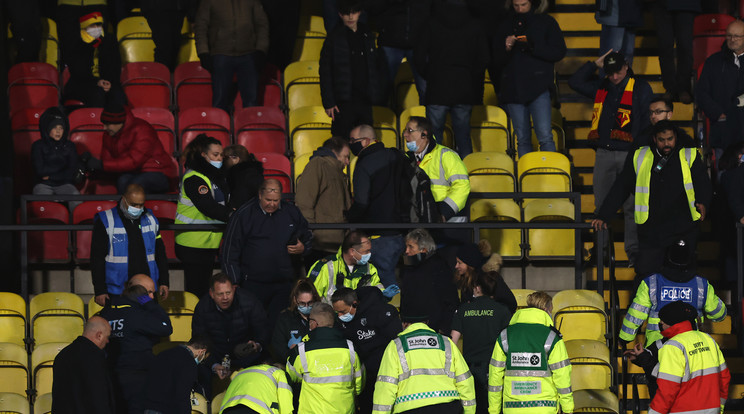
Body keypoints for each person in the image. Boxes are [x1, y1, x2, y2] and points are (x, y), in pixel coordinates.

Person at [592, 121, 712, 278]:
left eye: (670, 139)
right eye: (662, 140)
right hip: (652, 229)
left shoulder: (689, 154)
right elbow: (622, 186)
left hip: (683, 227)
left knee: (683, 275)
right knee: (646, 275)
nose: (667, 143)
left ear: (675, 137)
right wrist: (604, 215)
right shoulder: (641, 156)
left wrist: (703, 202)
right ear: (655, 139)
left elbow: (703, 182)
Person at [569, 50, 652, 265]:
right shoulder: (602, 85)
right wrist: (594, 64)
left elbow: (645, 122)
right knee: (601, 206)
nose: (614, 76)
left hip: (629, 154)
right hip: (604, 153)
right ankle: (601, 250)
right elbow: (575, 82)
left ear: (626, 66)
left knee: (632, 207)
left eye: (617, 71)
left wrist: (638, 150)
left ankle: (633, 252)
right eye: (610, 72)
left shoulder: (641, 87)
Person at [222, 179, 313, 327]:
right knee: (253, 325)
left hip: (284, 284)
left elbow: (307, 235)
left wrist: (303, 248)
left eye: (276, 200)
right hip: (251, 284)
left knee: (279, 326)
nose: (272, 204)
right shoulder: (243, 215)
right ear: (260, 195)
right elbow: (230, 250)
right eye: (268, 200)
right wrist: (233, 281)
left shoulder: (291, 211)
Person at [373, 290, 476, 413]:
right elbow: (465, 381)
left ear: (404, 323)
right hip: (449, 408)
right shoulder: (446, 343)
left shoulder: (396, 346)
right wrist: (469, 411)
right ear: (427, 321)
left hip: (411, 409)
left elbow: (385, 387)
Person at [414, 0, 489, 158]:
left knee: (433, 139)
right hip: (464, 87)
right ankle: (465, 176)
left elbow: (419, 58)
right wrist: (470, 77)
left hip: (437, 87)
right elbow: (483, 59)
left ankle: (434, 178)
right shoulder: (475, 25)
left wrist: (431, 74)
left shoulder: (431, 24)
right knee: (463, 138)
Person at [619, 241, 726, 347]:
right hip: (690, 347)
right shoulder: (701, 284)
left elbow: (636, 312)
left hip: (658, 348)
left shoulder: (651, 282)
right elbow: (718, 314)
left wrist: (625, 337)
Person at [494, 0, 566, 157]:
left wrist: (531, 46)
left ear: (532, 3)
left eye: (523, 5)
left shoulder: (546, 22)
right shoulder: (505, 24)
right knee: (523, 139)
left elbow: (559, 52)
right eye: (516, 5)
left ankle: (550, 175)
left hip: (538, 87)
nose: (520, 9)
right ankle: (526, 176)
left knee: (545, 137)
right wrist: (506, 47)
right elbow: (495, 60)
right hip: (513, 88)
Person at [488, 291, 574, 414]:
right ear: (546, 310)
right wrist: (567, 409)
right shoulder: (552, 337)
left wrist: (494, 411)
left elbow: (494, 376)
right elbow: (562, 376)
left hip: (512, 408)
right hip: (545, 408)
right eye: (551, 311)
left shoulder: (505, 335)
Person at [347, 124, 412, 287]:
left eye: (353, 140)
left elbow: (361, 203)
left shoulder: (364, 164)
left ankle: (392, 313)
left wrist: (349, 217)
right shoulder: (397, 156)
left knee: (382, 280)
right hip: (403, 232)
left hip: (378, 234)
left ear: (366, 141)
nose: (350, 144)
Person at [99, 277, 173, 414]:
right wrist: (148, 304)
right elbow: (166, 328)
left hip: (110, 378)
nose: (152, 296)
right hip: (138, 380)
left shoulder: (105, 314)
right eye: (148, 293)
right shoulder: (138, 315)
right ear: (137, 292)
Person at [91, 184, 170, 307]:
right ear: (124, 199)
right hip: (118, 290)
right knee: (122, 323)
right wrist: (100, 290)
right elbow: (97, 258)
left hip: (145, 291)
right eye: (133, 205)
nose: (138, 208)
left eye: (141, 205)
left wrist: (164, 281)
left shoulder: (151, 219)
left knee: (146, 322)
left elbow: (160, 253)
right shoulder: (106, 220)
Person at [175, 134, 233, 298]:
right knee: (196, 292)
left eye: (221, 155)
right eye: (215, 155)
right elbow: (208, 207)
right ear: (203, 155)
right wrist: (234, 216)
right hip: (191, 242)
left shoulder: (215, 177)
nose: (220, 158)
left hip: (207, 243)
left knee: (204, 291)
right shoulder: (195, 177)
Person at [320, 0, 387, 138]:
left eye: (354, 12)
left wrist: (375, 92)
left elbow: (375, 66)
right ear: (340, 14)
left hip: (364, 99)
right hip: (343, 101)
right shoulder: (334, 37)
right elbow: (325, 71)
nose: (350, 17)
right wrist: (329, 101)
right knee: (341, 140)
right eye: (346, 13)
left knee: (366, 141)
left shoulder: (367, 34)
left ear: (360, 13)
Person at [192, 273, 269, 394]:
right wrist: (214, 365)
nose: (225, 298)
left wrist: (256, 345)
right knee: (198, 368)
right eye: (220, 294)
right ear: (211, 294)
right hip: (215, 354)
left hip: (245, 354)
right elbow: (198, 342)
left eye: (228, 293)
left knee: (264, 365)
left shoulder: (249, 302)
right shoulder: (202, 308)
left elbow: (263, 332)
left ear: (234, 289)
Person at [649, 300, 730, 414]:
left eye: (662, 321)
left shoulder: (672, 346)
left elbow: (667, 389)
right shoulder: (708, 339)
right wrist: (719, 407)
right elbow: (724, 377)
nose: (660, 323)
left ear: (671, 323)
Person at [331, 287, 403, 413]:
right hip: (363, 377)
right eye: (337, 313)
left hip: (386, 373)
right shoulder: (341, 323)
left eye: (343, 312)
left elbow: (395, 342)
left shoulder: (380, 313)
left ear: (354, 304)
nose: (340, 316)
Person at [450, 271, 512, 414]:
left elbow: (452, 342)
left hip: (470, 370)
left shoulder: (464, 309)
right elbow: (507, 342)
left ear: (478, 288)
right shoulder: (502, 310)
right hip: (495, 369)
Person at [286, 303, 364, 414]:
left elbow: (291, 377)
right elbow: (359, 384)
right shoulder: (350, 348)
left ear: (313, 323)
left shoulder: (301, 351)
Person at [86, 101, 176, 194]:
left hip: (158, 172)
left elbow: (134, 161)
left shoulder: (142, 130)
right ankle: (125, 208)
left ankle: (136, 208)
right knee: (122, 181)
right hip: (132, 172)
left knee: (135, 185)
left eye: (108, 124)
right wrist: (95, 169)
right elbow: (109, 161)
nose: (104, 128)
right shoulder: (109, 134)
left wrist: (102, 165)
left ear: (119, 122)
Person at [194, 0, 269, 111]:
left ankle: (250, 127)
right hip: (221, 54)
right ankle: (220, 127)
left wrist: (261, 50)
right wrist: (203, 52)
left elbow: (262, 24)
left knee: (251, 104)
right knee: (219, 102)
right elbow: (201, 26)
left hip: (248, 55)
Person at [296, 137, 352, 267]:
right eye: (345, 157)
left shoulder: (337, 172)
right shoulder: (318, 165)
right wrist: (309, 234)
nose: (348, 162)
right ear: (333, 152)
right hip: (320, 245)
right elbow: (304, 202)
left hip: (335, 244)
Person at [403, 116, 471, 224]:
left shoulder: (447, 155)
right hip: (421, 222)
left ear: (424, 134)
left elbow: (462, 186)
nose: (405, 134)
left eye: (410, 131)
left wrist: (444, 213)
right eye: (404, 131)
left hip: (449, 223)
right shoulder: (406, 159)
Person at [695, 19, 744, 163]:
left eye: (737, 36)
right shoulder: (713, 62)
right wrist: (719, 114)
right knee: (725, 180)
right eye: (729, 36)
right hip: (724, 132)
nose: (732, 39)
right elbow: (702, 93)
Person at [366, 0, 431, 105]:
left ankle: (425, 121)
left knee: (427, 92)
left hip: (420, 43)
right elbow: (371, 7)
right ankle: (379, 119)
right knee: (380, 91)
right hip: (390, 41)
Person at [399, 228, 460, 334]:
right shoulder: (408, 268)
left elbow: (450, 300)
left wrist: (443, 328)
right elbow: (405, 297)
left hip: (434, 330)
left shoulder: (439, 267)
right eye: (406, 246)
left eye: (411, 247)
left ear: (424, 249)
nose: (406, 251)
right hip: (410, 330)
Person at [52, 316, 114, 414]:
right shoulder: (95, 358)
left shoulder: (62, 355)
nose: (107, 341)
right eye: (107, 337)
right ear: (99, 335)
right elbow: (99, 399)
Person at [307, 230, 390, 303]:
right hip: (330, 317)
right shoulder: (325, 267)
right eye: (366, 251)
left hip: (360, 317)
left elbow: (376, 288)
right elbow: (310, 297)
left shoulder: (370, 268)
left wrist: (384, 294)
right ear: (352, 251)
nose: (369, 254)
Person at [62, 11, 122, 107]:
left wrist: (109, 82)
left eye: (98, 25)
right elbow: (78, 72)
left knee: (118, 95)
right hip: (83, 84)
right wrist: (96, 82)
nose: (96, 28)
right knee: (97, 94)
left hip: (107, 82)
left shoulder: (109, 42)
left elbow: (115, 66)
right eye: (92, 26)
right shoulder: (76, 44)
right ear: (84, 27)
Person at [141, 336, 210, 414]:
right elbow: (182, 395)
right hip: (167, 409)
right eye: (204, 358)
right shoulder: (189, 362)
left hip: (149, 407)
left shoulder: (162, 354)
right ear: (202, 351)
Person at [31, 106, 81, 208]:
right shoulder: (37, 146)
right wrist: (61, 172)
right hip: (43, 185)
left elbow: (71, 171)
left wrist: (51, 176)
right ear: (48, 129)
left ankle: (77, 223)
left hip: (65, 184)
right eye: (54, 128)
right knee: (42, 203)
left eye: (61, 128)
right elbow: (40, 171)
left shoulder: (69, 146)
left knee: (76, 197)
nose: (58, 132)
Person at [652, 0, 700, 104]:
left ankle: (683, 88)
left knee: (685, 46)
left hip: (686, 5)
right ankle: (670, 88)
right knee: (665, 47)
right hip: (662, 5)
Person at [455, 241, 517, 313]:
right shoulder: (466, 280)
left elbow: (510, 304)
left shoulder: (490, 279)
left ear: (470, 264)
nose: (456, 266)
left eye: (459, 263)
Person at [270, 279, 322, 363]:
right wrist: (294, 354)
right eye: (302, 303)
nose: (306, 306)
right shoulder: (285, 319)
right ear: (295, 300)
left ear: (315, 299)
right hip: (293, 364)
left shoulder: (322, 316)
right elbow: (279, 348)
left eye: (310, 303)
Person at [141, 0, 197, 71]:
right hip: (159, 8)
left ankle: (164, 77)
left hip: (176, 8)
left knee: (173, 45)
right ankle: (161, 77)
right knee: (165, 47)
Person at [219, 362, 295, 414]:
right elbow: (285, 402)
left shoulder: (242, 372)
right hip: (257, 410)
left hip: (228, 410)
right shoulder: (279, 373)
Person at [594, 0, 642, 76]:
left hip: (631, 11)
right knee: (611, 55)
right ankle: (606, 86)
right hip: (613, 11)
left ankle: (625, 85)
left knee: (627, 53)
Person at [224, 144, 264, 210]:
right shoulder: (250, 172)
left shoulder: (244, 176)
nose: (222, 161)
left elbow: (240, 199)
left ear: (236, 159)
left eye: (225, 158)